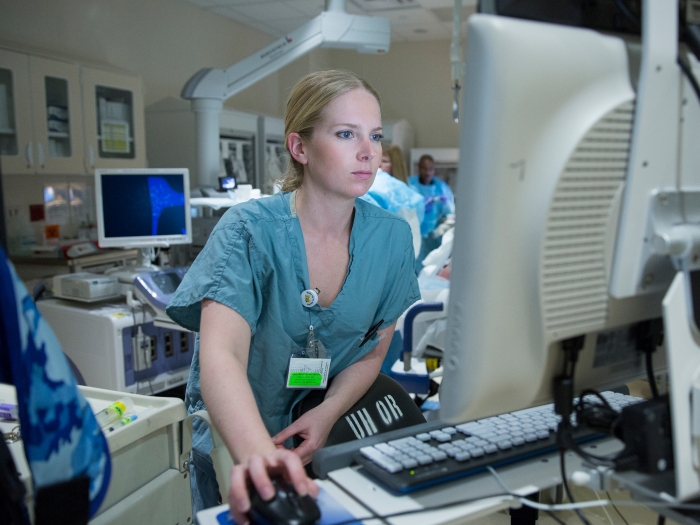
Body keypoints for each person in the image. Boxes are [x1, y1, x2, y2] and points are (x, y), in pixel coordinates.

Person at [166, 70, 420, 524]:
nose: (368, 152)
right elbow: (221, 355)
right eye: (346, 134)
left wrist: (327, 414)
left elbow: (372, 351)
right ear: (299, 147)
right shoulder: (248, 230)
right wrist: (260, 456)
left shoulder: (392, 240)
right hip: (237, 445)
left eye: (375, 136)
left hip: (323, 440)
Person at [408, 154, 455, 270]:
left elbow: (451, 213)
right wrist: (420, 206)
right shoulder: (410, 185)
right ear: (419, 168)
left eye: (430, 169)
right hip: (414, 231)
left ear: (434, 169)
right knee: (414, 264)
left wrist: (445, 204)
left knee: (433, 265)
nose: (427, 172)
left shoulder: (441, 188)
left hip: (435, 234)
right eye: (424, 168)